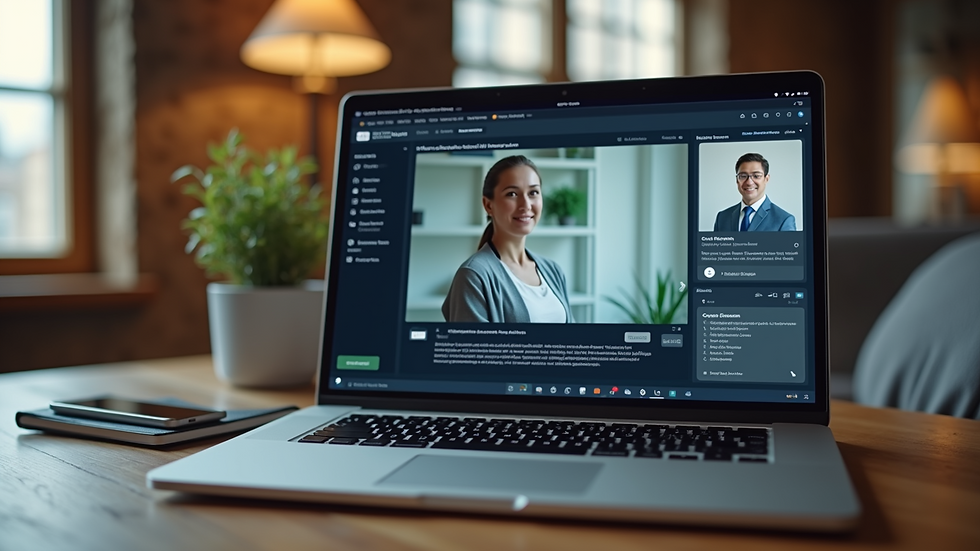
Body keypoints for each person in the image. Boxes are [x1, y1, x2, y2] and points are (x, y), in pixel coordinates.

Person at [442, 155, 574, 323]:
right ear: (488, 205)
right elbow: (472, 348)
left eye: (533, 192)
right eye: (512, 194)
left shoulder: (553, 270)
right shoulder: (474, 276)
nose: (525, 204)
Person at [713, 152, 796, 232]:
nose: (749, 182)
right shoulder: (722, 217)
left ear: (766, 179)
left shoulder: (784, 220)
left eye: (756, 176)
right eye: (743, 176)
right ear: (737, 180)